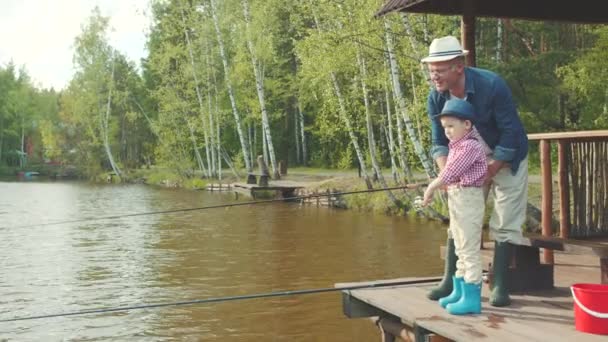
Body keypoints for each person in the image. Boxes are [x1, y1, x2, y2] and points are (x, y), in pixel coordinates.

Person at [422, 36, 529, 307]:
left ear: (459, 66)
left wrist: (491, 170)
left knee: (505, 220)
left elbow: (511, 134)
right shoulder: (435, 97)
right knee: (460, 217)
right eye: (431, 69)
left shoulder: (492, 85)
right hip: (464, 160)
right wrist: (447, 175)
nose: (433, 75)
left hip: (507, 155)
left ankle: (500, 285)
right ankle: (449, 281)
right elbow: (439, 142)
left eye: (440, 69)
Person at [422, 98, 486, 315]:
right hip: (459, 198)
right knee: (459, 246)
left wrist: (431, 188)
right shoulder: (458, 146)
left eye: (451, 126)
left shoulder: (470, 146)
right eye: (444, 127)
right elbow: (450, 175)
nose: (447, 131)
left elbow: (450, 173)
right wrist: (440, 184)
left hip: (469, 199)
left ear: (466, 125)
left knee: (468, 249)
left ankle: (472, 297)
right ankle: (459, 291)